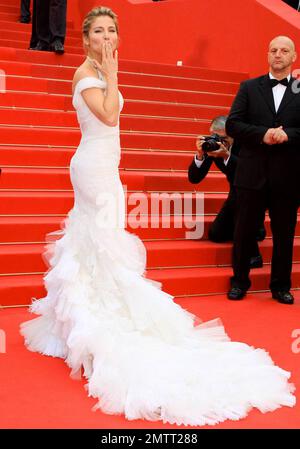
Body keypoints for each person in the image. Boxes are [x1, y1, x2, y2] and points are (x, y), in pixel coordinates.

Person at [20, 9, 295, 426]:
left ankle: (92, 314)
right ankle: (90, 323)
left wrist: (110, 72)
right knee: (98, 239)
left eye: (113, 30)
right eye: (99, 31)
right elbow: (109, 115)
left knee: (100, 241)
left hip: (104, 164)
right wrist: (111, 73)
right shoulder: (85, 74)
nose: (107, 36)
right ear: (86, 38)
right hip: (92, 167)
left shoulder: (99, 69)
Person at [226, 35, 300, 304]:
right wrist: (263, 134)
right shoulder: (248, 87)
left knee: (284, 234)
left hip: (287, 177)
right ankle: (239, 282)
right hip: (251, 173)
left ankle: (281, 286)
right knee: (244, 231)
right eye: (273, 50)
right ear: (267, 55)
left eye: (284, 51)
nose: (278, 55)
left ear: (293, 57)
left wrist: (288, 135)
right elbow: (233, 124)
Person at [188, 115, 265, 269]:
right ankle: (249, 229)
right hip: (235, 195)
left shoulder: (246, 143)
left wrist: (227, 156)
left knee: (242, 207)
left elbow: (249, 172)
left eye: (223, 138)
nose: (218, 141)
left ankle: (253, 253)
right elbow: (194, 179)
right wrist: (200, 155)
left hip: (254, 194)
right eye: (214, 136)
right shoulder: (214, 146)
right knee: (216, 234)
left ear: (233, 135)